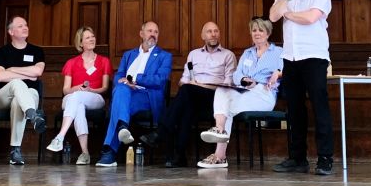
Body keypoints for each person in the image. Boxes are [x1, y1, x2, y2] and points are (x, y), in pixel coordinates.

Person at [269, 0, 334, 175]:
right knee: (294, 109)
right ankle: (298, 158)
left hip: (313, 56)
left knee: (319, 106)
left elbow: (310, 18)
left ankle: (325, 158)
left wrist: (288, 13)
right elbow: (272, 17)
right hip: (290, 56)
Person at [142, 21, 236, 167]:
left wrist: (199, 85)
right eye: (209, 31)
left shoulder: (228, 55)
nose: (213, 34)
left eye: (216, 31)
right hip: (193, 95)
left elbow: (228, 84)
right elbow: (183, 81)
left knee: (187, 92)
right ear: (203, 36)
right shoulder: (194, 54)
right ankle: (179, 156)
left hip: (215, 97)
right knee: (187, 107)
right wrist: (190, 85)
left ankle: (160, 132)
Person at [197, 17, 283, 169]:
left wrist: (278, 72)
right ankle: (219, 129)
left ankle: (220, 155)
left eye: (261, 30)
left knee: (226, 108)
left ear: (268, 33)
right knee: (222, 90)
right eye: (254, 30)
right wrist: (243, 79)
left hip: (264, 94)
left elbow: (291, 69)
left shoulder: (278, 52)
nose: (257, 33)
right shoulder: (247, 53)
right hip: (245, 91)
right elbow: (236, 75)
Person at [95, 20, 172, 168]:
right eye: (149, 31)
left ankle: (109, 151)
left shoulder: (164, 56)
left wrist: (136, 80)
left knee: (119, 101)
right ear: (141, 34)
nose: (153, 35)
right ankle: (122, 127)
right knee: (121, 89)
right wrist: (124, 82)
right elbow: (119, 75)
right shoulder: (129, 55)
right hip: (126, 93)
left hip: (147, 95)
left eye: (156, 32)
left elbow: (160, 80)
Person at [46, 26, 112, 164]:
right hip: (72, 97)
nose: (92, 39)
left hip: (95, 97)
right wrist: (77, 88)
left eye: (93, 36)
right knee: (78, 105)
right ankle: (85, 153)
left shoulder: (104, 61)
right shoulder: (71, 63)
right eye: (88, 37)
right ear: (80, 43)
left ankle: (60, 137)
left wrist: (90, 90)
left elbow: (105, 88)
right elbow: (66, 90)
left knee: (77, 98)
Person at [0, 15, 46, 166]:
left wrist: (12, 69)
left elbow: (37, 73)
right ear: (11, 31)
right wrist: (25, 73)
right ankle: (33, 115)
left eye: (26, 25)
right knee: (17, 83)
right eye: (20, 26)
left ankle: (15, 150)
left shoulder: (37, 51)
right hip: (4, 96)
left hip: (30, 94)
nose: (25, 28)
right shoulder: (1, 52)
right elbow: (0, 76)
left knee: (18, 101)